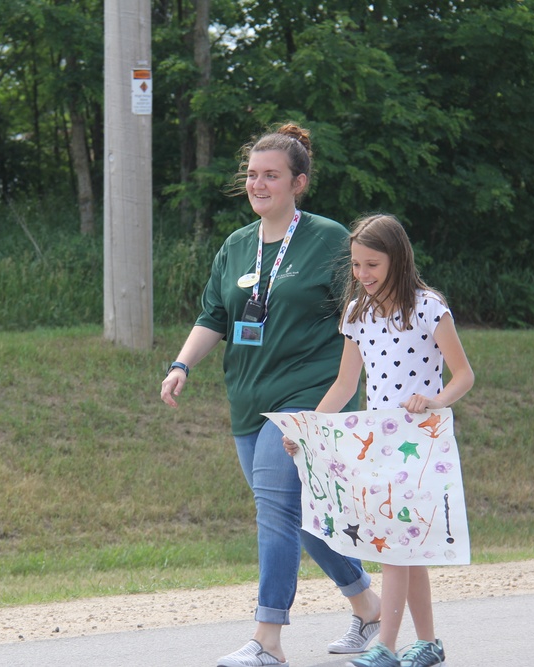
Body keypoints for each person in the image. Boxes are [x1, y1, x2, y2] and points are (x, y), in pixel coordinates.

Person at [160, 123, 382, 667]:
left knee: (276, 512)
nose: (258, 184)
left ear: (297, 183)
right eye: (253, 175)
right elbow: (214, 316)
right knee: (302, 519)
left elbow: (363, 311)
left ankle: (268, 641)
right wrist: (182, 363)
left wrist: (365, 384)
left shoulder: (331, 239)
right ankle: (370, 607)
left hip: (311, 395)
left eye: (271, 176)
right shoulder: (237, 245)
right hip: (248, 397)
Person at [284, 213, 475, 667]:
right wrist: (308, 430)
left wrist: (434, 399)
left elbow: (464, 375)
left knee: (395, 545)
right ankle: (427, 643)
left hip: (420, 442)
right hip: (378, 445)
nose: (362, 275)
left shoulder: (429, 307)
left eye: (372, 264)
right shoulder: (357, 314)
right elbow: (345, 386)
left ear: (398, 259)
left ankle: (385, 647)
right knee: (407, 546)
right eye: (355, 265)